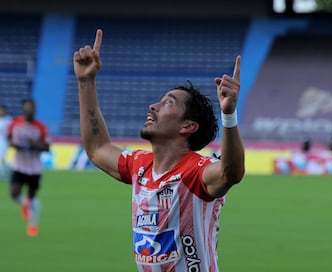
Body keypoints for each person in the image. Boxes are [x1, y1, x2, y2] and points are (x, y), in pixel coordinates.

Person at [73, 29, 245, 271]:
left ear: (188, 126)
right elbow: (97, 148)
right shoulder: (139, 165)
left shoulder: (195, 172)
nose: (153, 106)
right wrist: (86, 82)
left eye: (168, 103)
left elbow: (231, 173)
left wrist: (228, 114)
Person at [7, 98, 51, 236]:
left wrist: (35, 144)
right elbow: (9, 139)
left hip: (34, 168)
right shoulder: (15, 124)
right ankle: (23, 203)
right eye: (27, 108)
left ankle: (32, 226)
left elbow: (47, 147)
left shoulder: (41, 127)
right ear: (23, 109)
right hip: (19, 165)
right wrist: (15, 144)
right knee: (14, 192)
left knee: (32, 195)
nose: (29, 111)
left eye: (31, 108)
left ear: (35, 110)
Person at [0, 104, 11, 180]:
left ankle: (4, 173)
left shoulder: (9, 120)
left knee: (3, 157)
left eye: (1, 110)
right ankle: (5, 172)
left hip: (4, 141)